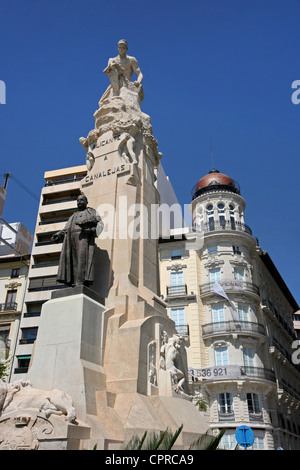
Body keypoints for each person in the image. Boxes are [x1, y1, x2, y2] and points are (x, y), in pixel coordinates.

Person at [51, 194, 103, 287]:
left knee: (82, 259)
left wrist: (91, 230)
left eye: (82, 200)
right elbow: (65, 229)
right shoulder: (73, 216)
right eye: (78, 200)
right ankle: (73, 282)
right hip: (71, 239)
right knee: (72, 260)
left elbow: (100, 224)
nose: (79, 202)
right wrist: (58, 235)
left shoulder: (91, 212)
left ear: (86, 202)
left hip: (84, 237)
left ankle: (80, 282)